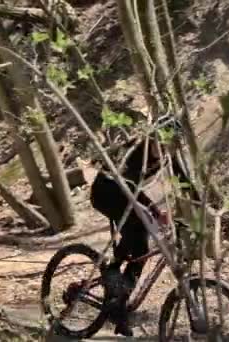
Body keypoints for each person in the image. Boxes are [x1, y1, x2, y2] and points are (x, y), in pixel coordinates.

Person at [89, 115, 198, 336]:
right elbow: (128, 187)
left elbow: (184, 181)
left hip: (128, 196)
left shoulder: (166, 154)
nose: (167, 147)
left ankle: (119, 299)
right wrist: (156, 212)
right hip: (107, 193)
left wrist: (207, 207)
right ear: (153, 136)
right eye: (164, 141)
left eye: (172, 142)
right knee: (139, 240)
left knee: (140, 247)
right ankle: (114, 281)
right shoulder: (138, 151)